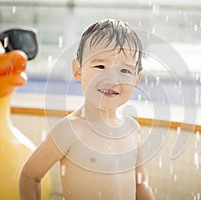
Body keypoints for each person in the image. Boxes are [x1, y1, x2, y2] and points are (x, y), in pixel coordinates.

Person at [19, 19, 156, 200]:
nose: (112, 79)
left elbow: (140, 184)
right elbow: (30, 176)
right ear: (78, 71)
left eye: (124, 70)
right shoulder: (69, 130)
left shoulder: (132, 129)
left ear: (136, 80)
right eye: (100, 66)